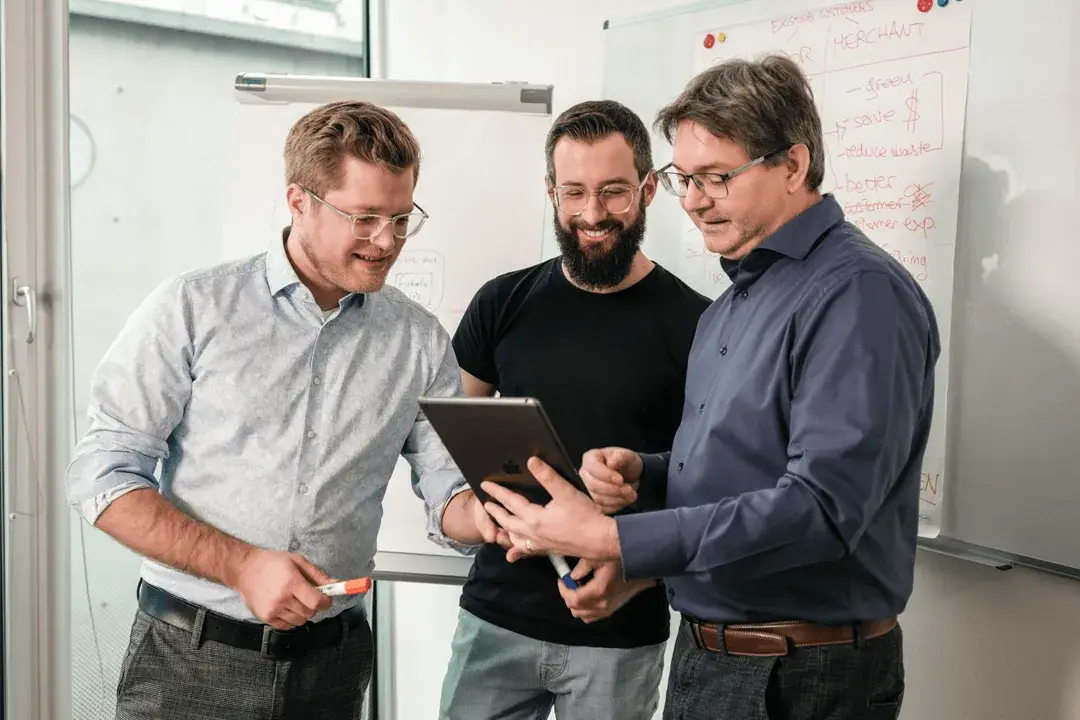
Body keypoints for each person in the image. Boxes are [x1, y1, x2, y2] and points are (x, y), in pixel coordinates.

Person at [481, 55, 941, 720]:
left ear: (793, 164)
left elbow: (821, 509)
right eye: (684, 178)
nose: (693, 199)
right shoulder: (735, 300)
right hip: (710, 658)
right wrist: (645, 474)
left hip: (799, 676)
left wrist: (617, 541)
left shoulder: (856, 296)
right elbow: (739, 471)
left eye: (717, 177)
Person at [65, 100, 495, 720]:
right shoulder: (193, 307)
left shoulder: (419, 339)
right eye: (366, 217)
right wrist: (242, 567)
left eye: (402, 219)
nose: (388, 242)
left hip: (335, 666)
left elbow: (450, 492)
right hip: (189, 658)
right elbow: (101, 480)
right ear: (299, 202)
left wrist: (492, 518)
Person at [437, 100, 710, 720]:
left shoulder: (700, 324)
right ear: (551, 191)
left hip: (620, 626)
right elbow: (444, 443)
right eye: (574, 192)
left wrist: (636, 568)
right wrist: (476, 512)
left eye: (614, 192)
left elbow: (711, 482)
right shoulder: (501, 302)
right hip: (494, 617)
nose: (592, 214)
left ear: (648, 188)